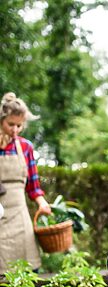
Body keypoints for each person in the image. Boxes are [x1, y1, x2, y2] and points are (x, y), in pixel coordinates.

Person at [0, 92, 51, 274]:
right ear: (1, 121)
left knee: (28, 265)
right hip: (0, 212)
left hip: (20, 216)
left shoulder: (25, 147)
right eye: (10, 124)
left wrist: (42, 203)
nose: (15, 130)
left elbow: (33, 186)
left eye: (19, 125)